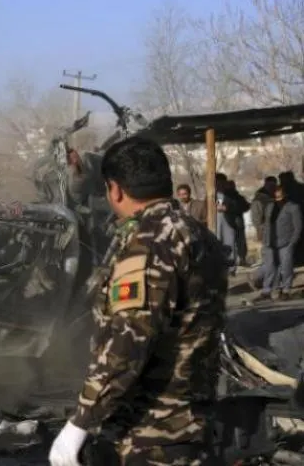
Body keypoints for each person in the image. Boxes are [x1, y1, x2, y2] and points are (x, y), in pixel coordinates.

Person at [48, 137, 228, 466]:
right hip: (191, 420)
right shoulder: (197, 233)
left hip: (151, 433)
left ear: (115, 190)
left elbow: (128, 340)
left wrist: (81, 422)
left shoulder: (150, 241)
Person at [252, 183, 303, 303]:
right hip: (270, 242)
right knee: (270, 267)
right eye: (276, 197)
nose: (278, 199)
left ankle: (286, 290)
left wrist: (292, 242)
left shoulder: (293, 207)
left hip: (286, 242)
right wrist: (264, 240)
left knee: (286, 267)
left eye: (280, 196)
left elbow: (298, 227)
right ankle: (267, 291)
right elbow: (266, 223)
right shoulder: (270, 206)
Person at [251, 176, 278, 243]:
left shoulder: (277, 197)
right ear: (265, 184)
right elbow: (256, 218)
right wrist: (262, 230)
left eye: (273, 185)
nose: (272, 187)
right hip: (265, 231)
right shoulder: (258, 200)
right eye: (270, 185)